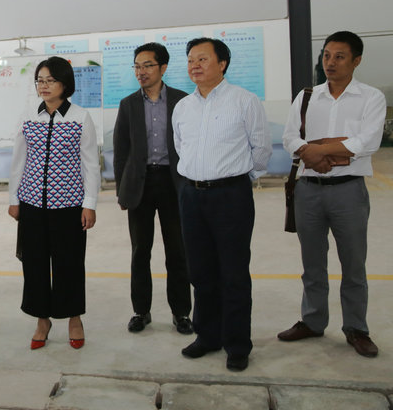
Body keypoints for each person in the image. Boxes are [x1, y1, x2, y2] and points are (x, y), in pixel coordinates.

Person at [278, 31, 386, 358]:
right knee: (312, 263)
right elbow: (289, 138)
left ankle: (356, 328)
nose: (330, 62)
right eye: (326, 55)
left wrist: (318, 150)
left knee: (353, 264)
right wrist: (315, 154)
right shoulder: (307, 96)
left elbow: (367, 142)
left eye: (339, 56)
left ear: (356, 60)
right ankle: (312, 321)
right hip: (309, 191)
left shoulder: (371, 97)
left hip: (349, 192)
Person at [172, 38, 271, 372]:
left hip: (231, 196)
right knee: (200, 271)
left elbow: (261, 149)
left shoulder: (244, 101)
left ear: (222, 63)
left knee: (233, 272)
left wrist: (236, 179)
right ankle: (208, 335)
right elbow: (181, 147)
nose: (194, 65)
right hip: (191, 195)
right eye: (190, 60)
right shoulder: (183, 107)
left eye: (202, 59)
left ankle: (237, 344)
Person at [8, 56, 100, 350]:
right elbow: (18, 160)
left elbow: (90, 164)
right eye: (40, 80)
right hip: (32, 204)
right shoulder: (27, 116)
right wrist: (13, 198)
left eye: (51, 80)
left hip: (69, 206)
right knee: (34, 264)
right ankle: (42, 320)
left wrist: (90, 203)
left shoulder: (80, 117)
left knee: (69, 264)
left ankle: (74, 318)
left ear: (65, 83)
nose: (44, 86)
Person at [113, 43, 192, 335]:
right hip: (140, 184)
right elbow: (121, 150)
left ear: (163, 68)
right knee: (140, 251)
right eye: (137, 66)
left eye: (147, 65)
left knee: (178, 252)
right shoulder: (128, 104)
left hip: (174, 183)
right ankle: (141, 311)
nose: (141, 71)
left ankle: (181, 313)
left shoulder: (183, 101)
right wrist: (122, 190)